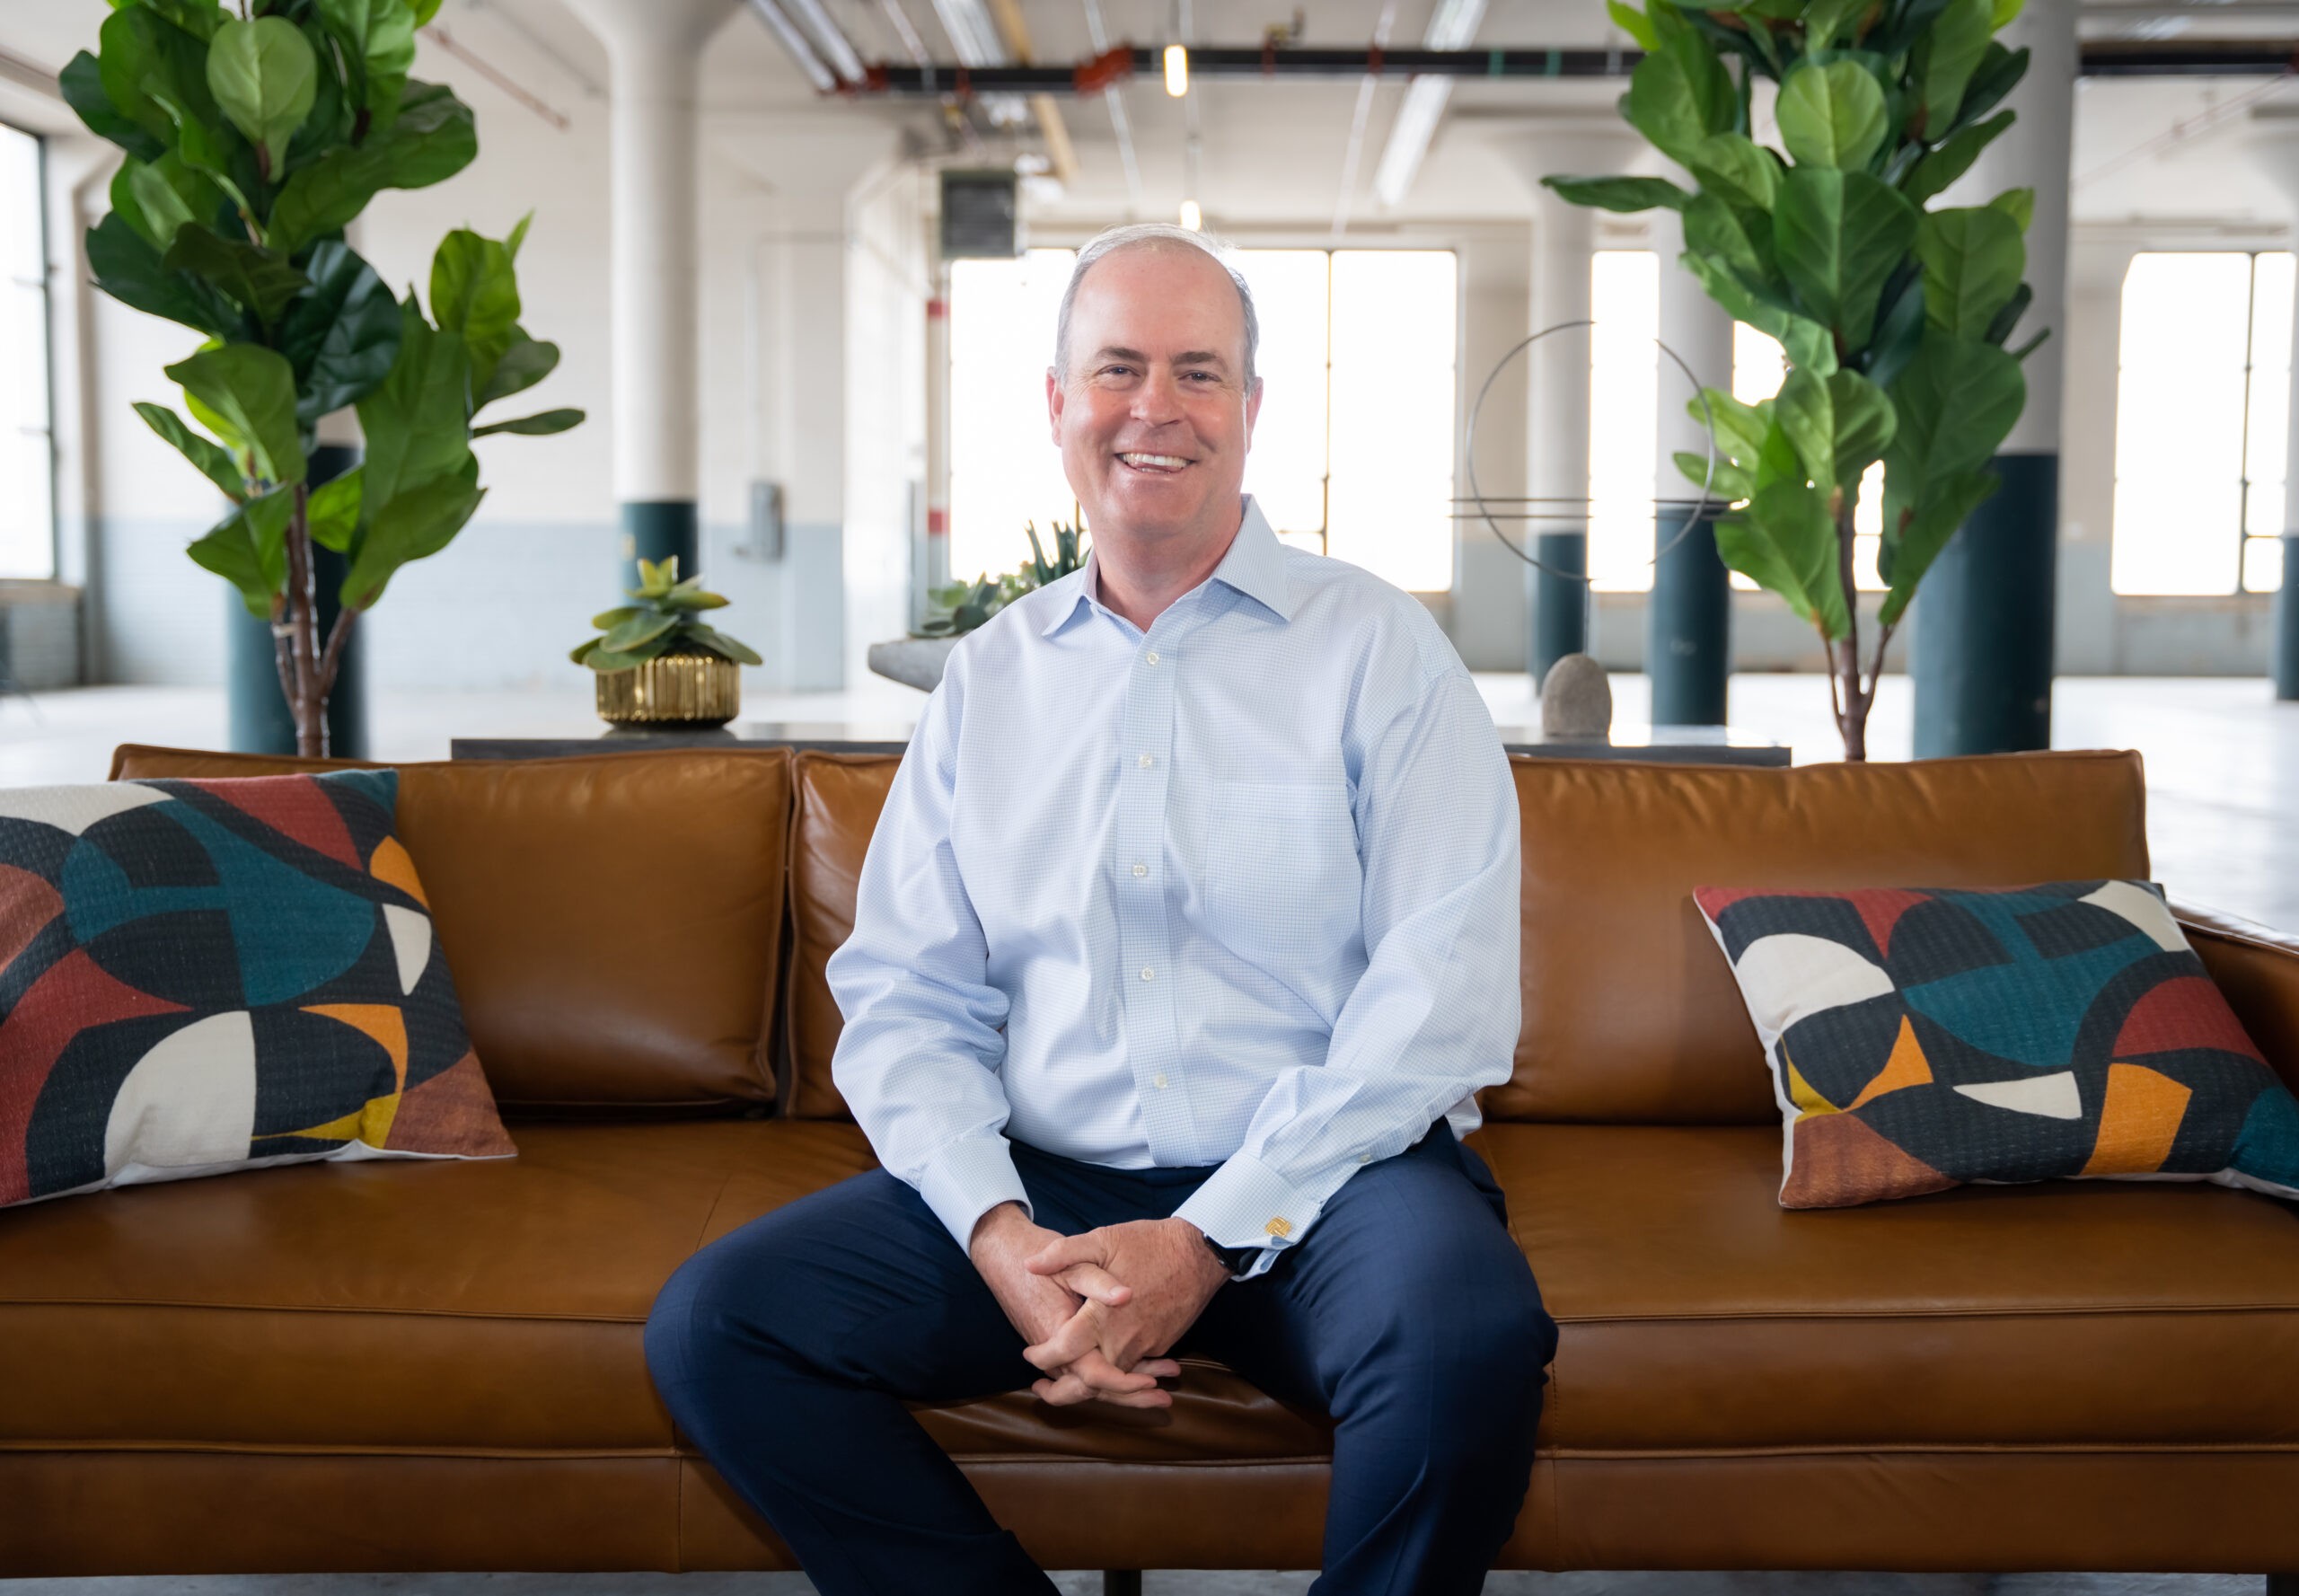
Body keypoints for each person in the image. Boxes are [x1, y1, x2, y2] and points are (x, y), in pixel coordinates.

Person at [645, 223, 1556, 1596]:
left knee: (1466, 1336)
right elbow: (905, 995)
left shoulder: (1380, 654)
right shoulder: (990, 682)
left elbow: (1440, 1000)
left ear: (1250, 412)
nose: (1156, 407)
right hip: (1053, 1181)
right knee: (722, 1323)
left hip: (1330, 1180)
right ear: (1058, 406)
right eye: (1118, 367)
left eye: (1199, 371)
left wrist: (1204, 1240)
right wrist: (1001, 1237)